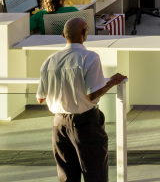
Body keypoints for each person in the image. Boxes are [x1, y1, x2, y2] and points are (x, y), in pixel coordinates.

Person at [37, 17, 126, 182]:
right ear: (85, 33)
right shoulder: (90, 58)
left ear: (63, 35)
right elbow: (92, 94)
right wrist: (112, 82)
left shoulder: (49, 61)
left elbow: (40, 98)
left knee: (66, 176)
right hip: (85, 123)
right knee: (95, 173)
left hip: (58, 124)